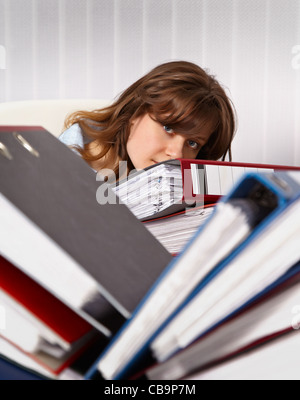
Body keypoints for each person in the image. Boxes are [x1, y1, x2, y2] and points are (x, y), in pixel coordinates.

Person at [59, 60, 236, 180]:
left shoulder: (177, 188)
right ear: (135, 112)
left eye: (192, 143)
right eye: (168, 128)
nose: (177, 155)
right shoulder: (60, 166)